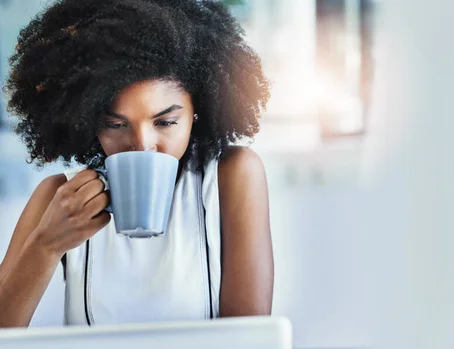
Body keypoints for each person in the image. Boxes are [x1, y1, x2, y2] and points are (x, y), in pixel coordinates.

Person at [0, 0, 273, 327]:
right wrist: (45, 246)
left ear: (197, 110)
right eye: (116, 125)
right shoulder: (60, 197)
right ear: (87, 120)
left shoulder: (233, 176)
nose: (142, 146)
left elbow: (250, 339)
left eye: (166, 122)